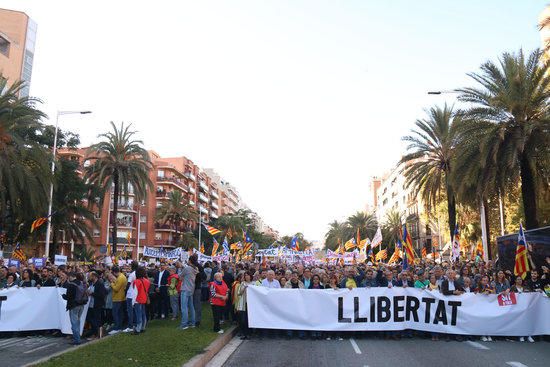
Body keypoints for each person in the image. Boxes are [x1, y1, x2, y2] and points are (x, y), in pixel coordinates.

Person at [62, 272, 87, 345]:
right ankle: (78, 337)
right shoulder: (81, 283)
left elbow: (68, 296)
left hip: (73, 305)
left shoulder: (71, 285)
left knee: (74, 323)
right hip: (81, 304)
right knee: (78, 322)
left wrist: (63, 296)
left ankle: (77, 340)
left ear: (70, 276)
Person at [180, 254, 199, 330]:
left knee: (184, 307)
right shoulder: (196, 268)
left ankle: (184, 324)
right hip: (191, 289)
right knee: (191, 307)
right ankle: (192, 323)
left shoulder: (187, 268)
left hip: (185, 289)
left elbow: (180, 276)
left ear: (190, 261)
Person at [87, 271, 107, 340]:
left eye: (90, 276)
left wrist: (92, 293)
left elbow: (102, 295)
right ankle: (94, 333)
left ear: (94, 276)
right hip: (91, 305)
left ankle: (99, 335)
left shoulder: (100, 284)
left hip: (97, 305)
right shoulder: (92, 284)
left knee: (97, 320)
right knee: (91, 319)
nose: (89, 277)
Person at [107, 266, 127, 335]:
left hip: (118, 298)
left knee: (115, 314)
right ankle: (119, 327)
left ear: (114, 272)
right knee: (119, 314)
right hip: (120, 298)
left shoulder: (120, 278)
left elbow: (116, 289)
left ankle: (117, 328)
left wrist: (111, 283)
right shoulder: (122, 276)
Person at [132, 267, 150, 334]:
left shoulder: (136, 281)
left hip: (137, 300)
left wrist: (132, 302)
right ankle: (143, 327)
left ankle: (138, 329)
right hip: (144, 299)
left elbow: (135, 293)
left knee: (138, 315)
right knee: (143, 314)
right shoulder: (147, 281)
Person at [236, 272, 252, 340]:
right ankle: (243, 333)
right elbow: (239, 293)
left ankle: (248, 334)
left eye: (248, 275)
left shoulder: (253, 283)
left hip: (251, 304)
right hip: (243, 304)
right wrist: (244, 288)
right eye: (245, 275)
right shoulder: (242, 283)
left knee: (248, 320)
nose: (247, 276)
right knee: (243, 320)